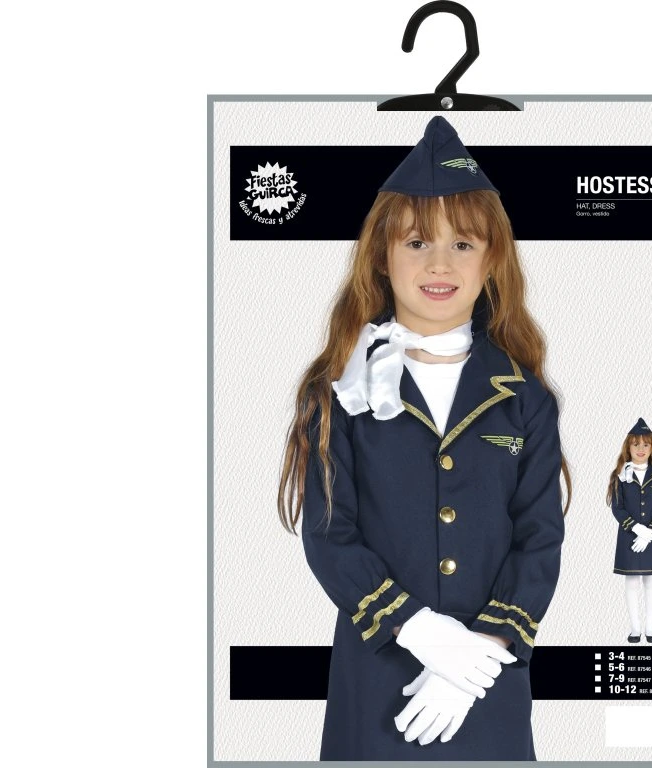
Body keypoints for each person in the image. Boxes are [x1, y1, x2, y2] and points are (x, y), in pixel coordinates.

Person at [277, 116, 570, 760]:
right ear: (382, 258)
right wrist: (422, 634)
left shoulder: (525, 400)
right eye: (415, 242)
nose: (439, 263)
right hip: (374, 680)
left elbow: (539, 540)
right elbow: (329, 535)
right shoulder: (338, 390)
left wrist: (477, 656)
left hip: (486, 683)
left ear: (493, 260)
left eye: (463, 243)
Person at [607, 417, 652, 643]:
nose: (640, 449)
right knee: (632, 582)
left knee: (651, 581)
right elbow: (617, 508)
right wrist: (636, 528)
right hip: (628, 538)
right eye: (635, 444)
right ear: (628, 447)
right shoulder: (620, 476)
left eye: (645, 444)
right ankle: (635, 629)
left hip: (651, 539)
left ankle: (650, 628)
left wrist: (650, 532)